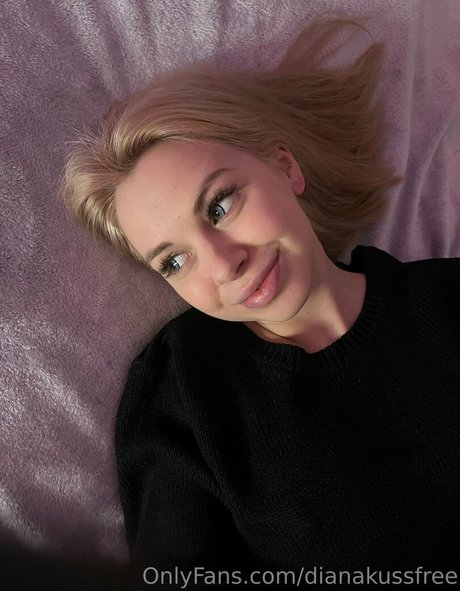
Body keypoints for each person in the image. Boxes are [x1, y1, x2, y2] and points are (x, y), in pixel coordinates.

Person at [60, 16, 460, 589]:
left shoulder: (446, 300)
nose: (224, 264)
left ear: (285, 166)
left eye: (220, 207)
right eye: (175, 261)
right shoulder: (185, 394)